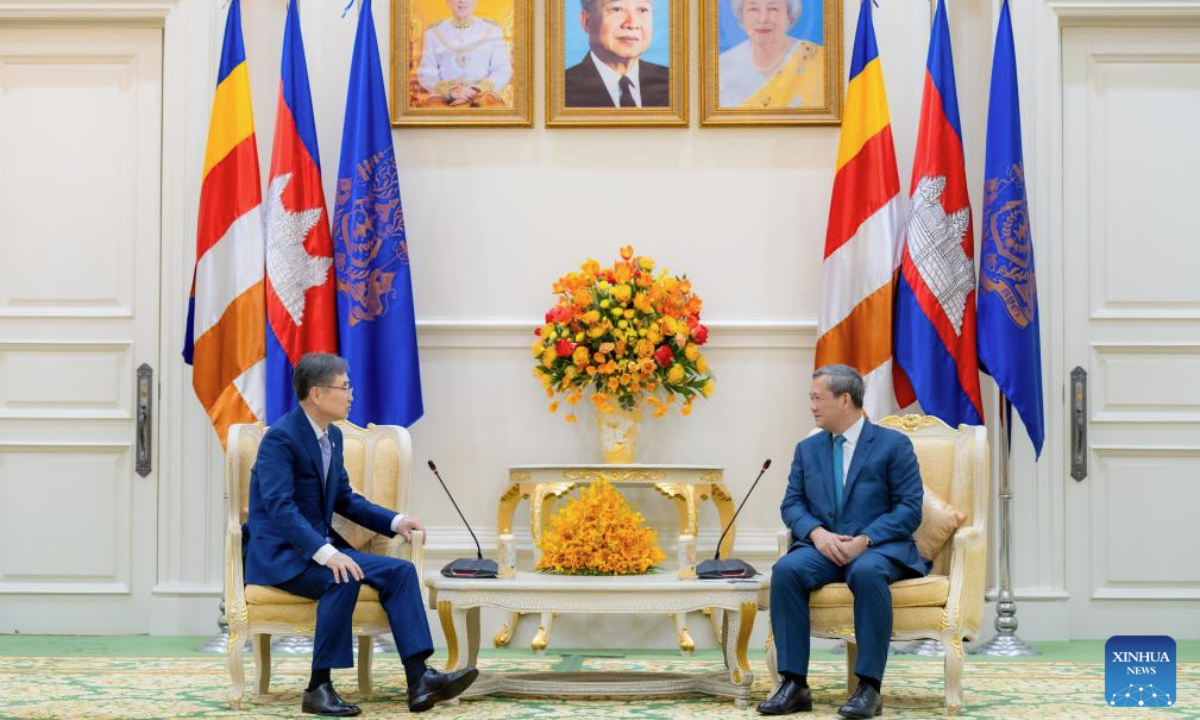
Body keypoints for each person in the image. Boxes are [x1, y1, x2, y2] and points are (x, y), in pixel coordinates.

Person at [244, 353, 477, 716]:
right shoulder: (280, 439)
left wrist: (396, 521)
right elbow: (281, 508)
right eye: (345, 387)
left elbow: (344, 499)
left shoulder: (332, 436)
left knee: (400, 572)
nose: (351, 395)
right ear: (317, 393)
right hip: (282, 556)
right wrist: (327, 553)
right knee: (343, 575)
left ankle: (419, 678)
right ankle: (318, 687)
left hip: (317, 552)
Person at [759, 364, 927, 718]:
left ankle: (868, 688)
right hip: (823, 548)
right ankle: (794, 684)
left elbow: (909, 509)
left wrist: (865, 539)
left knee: (866, 572)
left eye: (817, 398)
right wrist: (817, 534)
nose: (812, 406)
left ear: (845, 399)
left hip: (877, 548)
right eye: (811, 398)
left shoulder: (893, 445)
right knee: (786, 570)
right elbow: (792, 504)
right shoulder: (807, 449)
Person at [718, 0, 824, 109]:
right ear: (742, 17)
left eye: (773, 9)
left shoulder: (818, 60)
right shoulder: (724, 66)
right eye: (753, 9)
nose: (763, 19)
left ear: (789, 16)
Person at [565, 0, 669, 108]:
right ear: (587, 21)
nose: (632, 24)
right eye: (617, 9)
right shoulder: (561, 92)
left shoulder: (673, 84)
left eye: (642, 10)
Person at [415, 0, 513, 108]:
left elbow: (503, 70)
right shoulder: (433, 33)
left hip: (483, 99)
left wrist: (476, 90)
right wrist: (450, 91)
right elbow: (426, 73)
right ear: (448, 1)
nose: (462, 1)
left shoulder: (493, 30)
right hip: (445, 100)